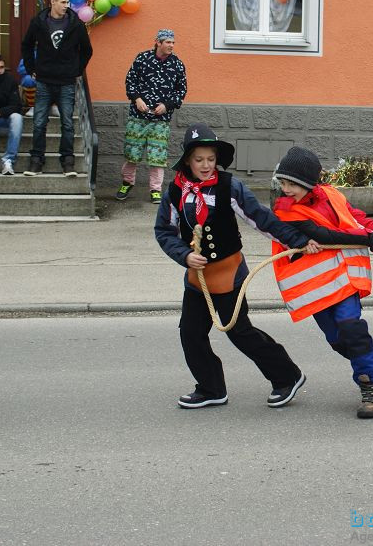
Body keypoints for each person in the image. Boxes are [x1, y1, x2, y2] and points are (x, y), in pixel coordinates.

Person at [155, 123, 317, 410]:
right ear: (187, 161)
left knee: (238, 331)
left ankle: (287, 376)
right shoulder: (175, 192)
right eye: (199, 159)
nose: (206, 165)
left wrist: (298, 240)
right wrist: (183, 255)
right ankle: (211, 388)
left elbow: (261, 219)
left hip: (230, 273)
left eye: (211, 159)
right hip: (197, 277)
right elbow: (164, 231)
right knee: (190, 333)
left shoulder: (229, 186)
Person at [271, 146, 373, 418]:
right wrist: (367, 240)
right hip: (315, 288)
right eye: (283, 183)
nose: (285, 189)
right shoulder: (284, 211)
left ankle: (370, 387)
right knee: (340, 341)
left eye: (291, 184)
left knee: (351, 330)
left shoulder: (332, 196)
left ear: (309, 183)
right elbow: (325, 235)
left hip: (344, 280)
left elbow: (361, 223)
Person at [20, 0, 93, 177]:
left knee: (67, 123)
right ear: (52, 2)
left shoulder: (76, 25)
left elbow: (87, 50)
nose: (66, 6)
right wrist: (31, 68)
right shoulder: (39, 22)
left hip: (66, 81)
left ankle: (68, 162)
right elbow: (26, 45)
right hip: (44, 80)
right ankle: (36, 160)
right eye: (63, 2)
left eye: (68, 3)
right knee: (39, 122)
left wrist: (76, 70)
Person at [116, 29, 187, 204]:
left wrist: (167, 105)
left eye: (173, 42)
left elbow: (181, 90)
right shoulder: (142, 59)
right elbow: (130, 81)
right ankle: (126, 183)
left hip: (160, 120)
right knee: (132, 152)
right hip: (137, 117)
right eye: (168, 42)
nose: (171, 45)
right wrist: (137, 99)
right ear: (158, 42)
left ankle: (155, 190)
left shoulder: (177, 64)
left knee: (158, 156)